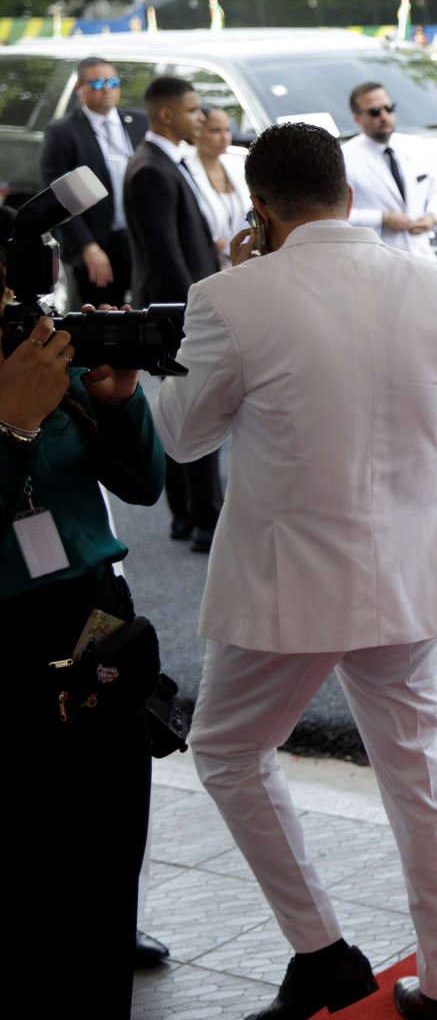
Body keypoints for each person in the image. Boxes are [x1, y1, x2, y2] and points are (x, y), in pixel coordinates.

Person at [152, 120, 437, 1020]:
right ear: (349, 196)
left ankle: (321, 950)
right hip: (410, 580)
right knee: (417, 774)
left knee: (227, 751)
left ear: (259, 209)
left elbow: (182, 436)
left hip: (287, 590)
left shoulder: (231, 296)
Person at [0, 258, 165, 1018]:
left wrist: (119, 399)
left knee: (108, 863)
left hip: (98, 629)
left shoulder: (34, 342)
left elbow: (141, 482)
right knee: (32, 885)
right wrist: (12, 428)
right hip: (11, 646)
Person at [123, 76, 223, 554]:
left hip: (178, 310)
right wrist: (196, 313)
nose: (200, 117)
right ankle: (204, 519)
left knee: (184, 411)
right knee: (196, 413)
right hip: (176, 313)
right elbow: (166, 256)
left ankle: (187, 515)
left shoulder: (165, 162)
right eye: (192, 110)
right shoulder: (150, 169)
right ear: (166, 114)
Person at [38, 56, 145, 307]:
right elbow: (59, 196)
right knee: (102, 313)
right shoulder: (62, 131)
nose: (107, 89)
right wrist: (88, 247)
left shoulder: (139, 121)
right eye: (97, 83)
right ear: (80, 88)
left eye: (112, 82)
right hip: (97, 241)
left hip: (139, 239)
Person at [342, 82, 437, 259]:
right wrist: (382, 218)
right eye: (374, 112)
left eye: (389, 108)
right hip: (376, 260)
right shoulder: (345, 158)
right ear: (357, 118)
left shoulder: (414, 145)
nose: (384, 116)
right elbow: (338, 215)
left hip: (422, 256)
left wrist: (433, 217)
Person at [187, 107, 251, 268]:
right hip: (206, 265)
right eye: (215, 131)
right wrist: (216, 243)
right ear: (197, 132)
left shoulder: (239, 164)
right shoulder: (185, 171)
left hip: (244, 263)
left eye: (227, 130)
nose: (225, 138)